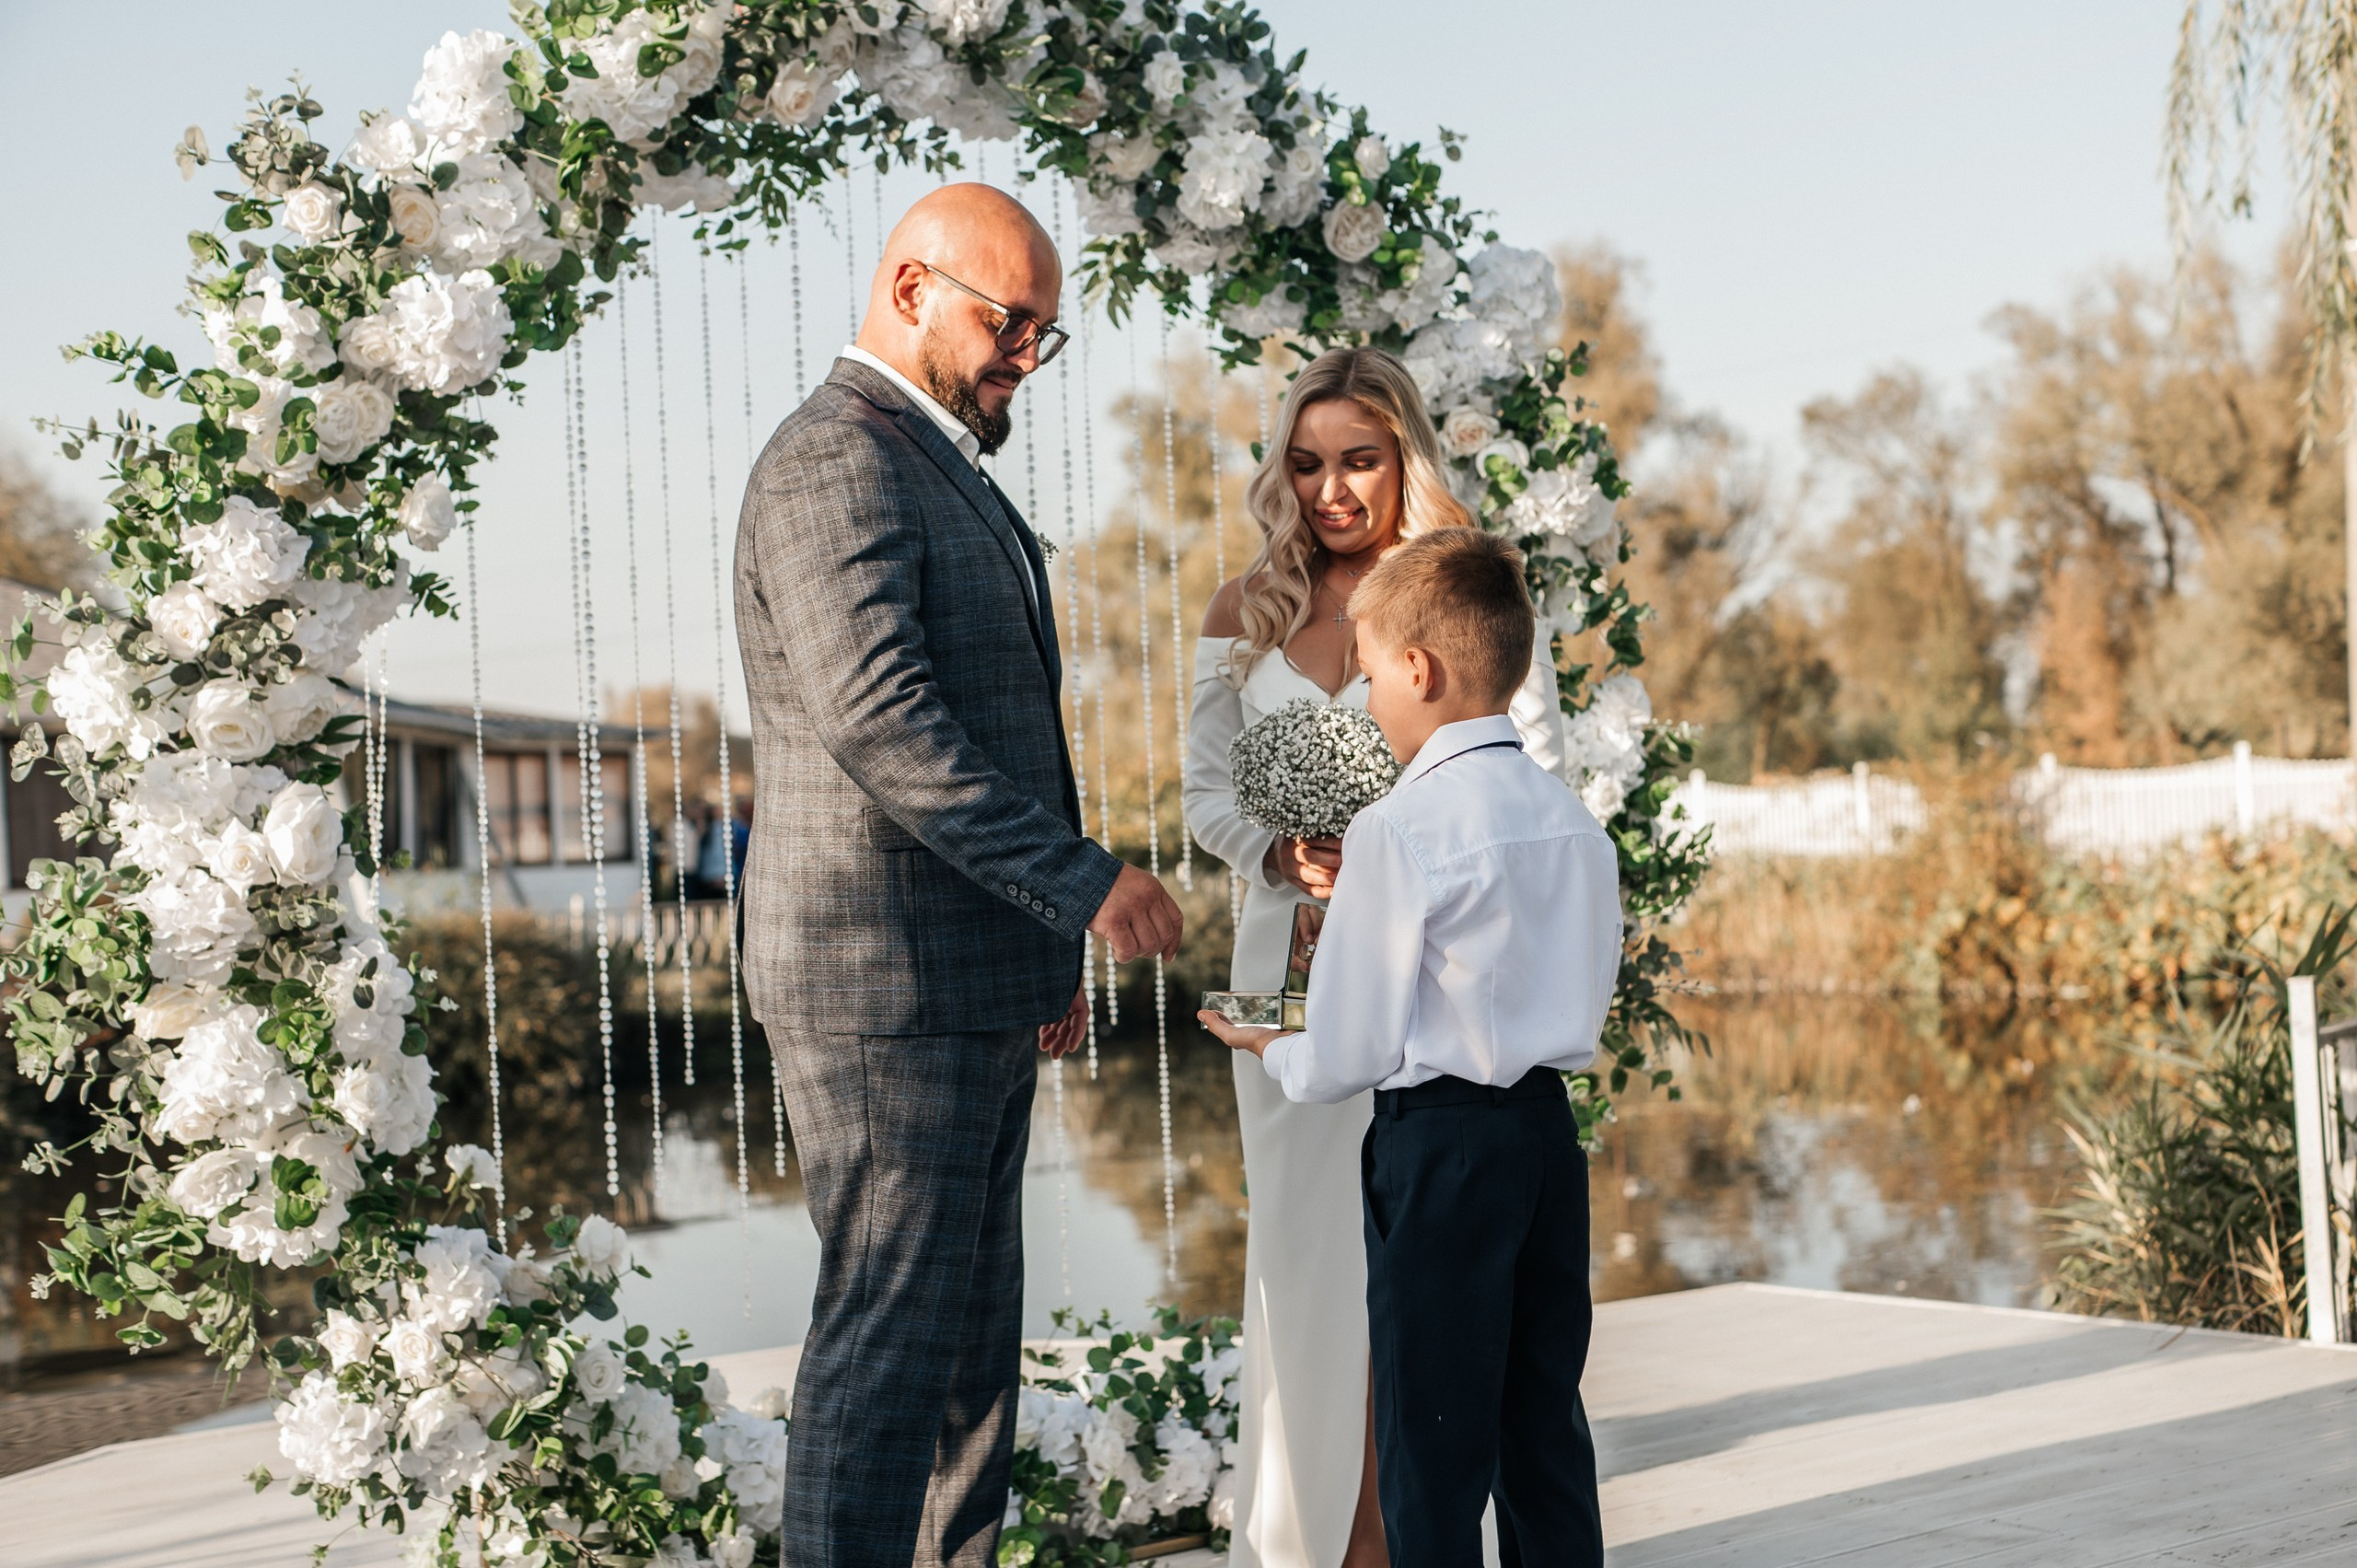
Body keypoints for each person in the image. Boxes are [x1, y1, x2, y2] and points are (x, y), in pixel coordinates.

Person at [733, 183, 1184, 1568]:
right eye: (1010, 321)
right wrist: (1085, 886)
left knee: (971, 1369)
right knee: (884, 1366)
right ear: (911, 287)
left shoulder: (933, 462)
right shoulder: (833, 459)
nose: (1028, 358)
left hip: (969, 989)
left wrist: (1039, 963)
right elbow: (887, 725)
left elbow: (1003, 726)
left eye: (1047, 332)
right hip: (883, 996)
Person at [1179, 346, 1566, 1568]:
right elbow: (1199, 795)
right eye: (1305, 465)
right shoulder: (1244, 612)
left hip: (1435, 976)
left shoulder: (1471, 591)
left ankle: (1394, 1538)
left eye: (1358, 459)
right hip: (1288, 963)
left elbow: (1532, 773)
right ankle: (1306, 1541)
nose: (1330, 491)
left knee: (1423, 1274)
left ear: (1405, 455)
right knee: (1305, 1259)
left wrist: (1412, 852)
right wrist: (1282, 857)